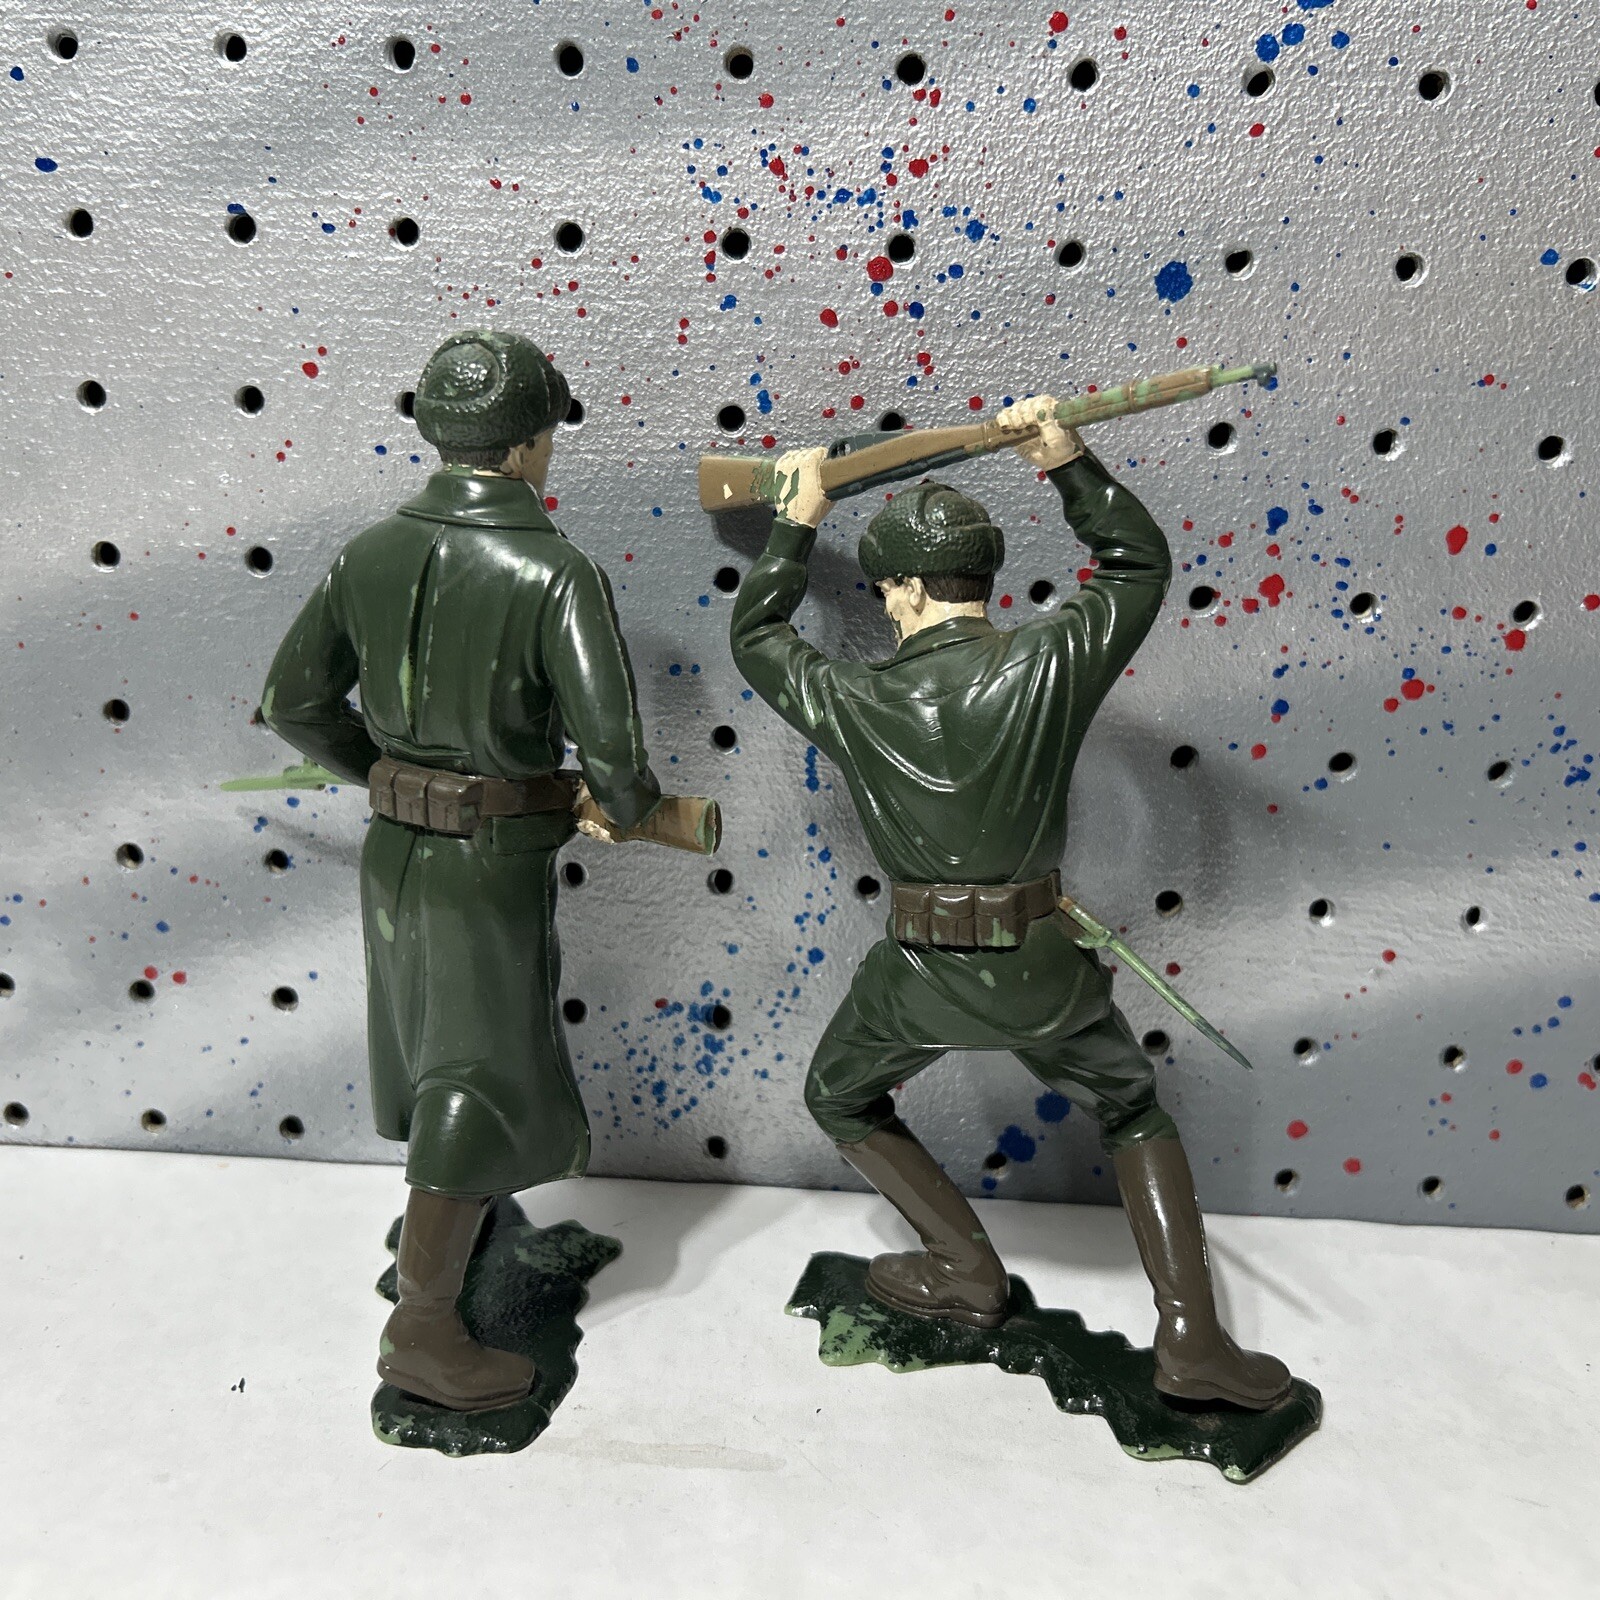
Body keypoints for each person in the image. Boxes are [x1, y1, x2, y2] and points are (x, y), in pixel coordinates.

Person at [728, 399, 1290, 1408]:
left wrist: (797, 517)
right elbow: (1137, 567)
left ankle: (964, 1270)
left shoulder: (853, 698)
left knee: (839, 1097)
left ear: (903, 590)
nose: (886, 603)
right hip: (1041, 967)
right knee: (1131, 1110)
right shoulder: (1050, 659)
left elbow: (757, 635)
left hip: (918, 974)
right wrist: (1063, 457)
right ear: (981, 581)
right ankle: (1191, 1339)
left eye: (885, 589)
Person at [261, 330, 660, 1411]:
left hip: (394, 851)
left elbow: (294, 703)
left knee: (428, 1041)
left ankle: (447, 1238)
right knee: (476, 1073)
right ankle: (424, 1332)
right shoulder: (554, 571)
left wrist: (388, 777)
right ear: (530, 444)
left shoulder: (368, 553)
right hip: (490, 861)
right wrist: (621, 808)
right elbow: (616, 759)